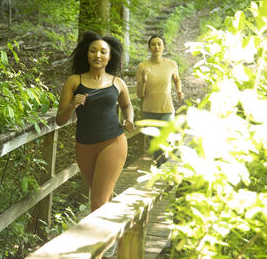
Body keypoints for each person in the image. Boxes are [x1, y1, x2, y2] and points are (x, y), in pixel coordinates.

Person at [56, 31, 134, 215]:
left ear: (110, 56)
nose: (98, 55)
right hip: (84, 146)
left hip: (112, 142)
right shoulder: (75, 81)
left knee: (98, 202)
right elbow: (60, 120)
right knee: (104, 198)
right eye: (93, 51)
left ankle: (100, 244)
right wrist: (73, 105)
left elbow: (127, 104)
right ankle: (118, 234)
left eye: (103, 52)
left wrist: (130, 118)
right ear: (87, 53)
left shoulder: (118, 83)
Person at [136, 35, 184, 165]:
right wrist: (144, 81)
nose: (156, 47)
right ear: (149, 48)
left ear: (164, 47)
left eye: (159, 44)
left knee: (166, 141)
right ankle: (160, 170)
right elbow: (139, 94)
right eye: (153, 44)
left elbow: (177, 78)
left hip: (167, 110)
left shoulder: (171, 64)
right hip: (149, 110)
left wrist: (179, 91)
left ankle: (162, 170)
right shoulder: (143, 66)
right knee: (155, 144)